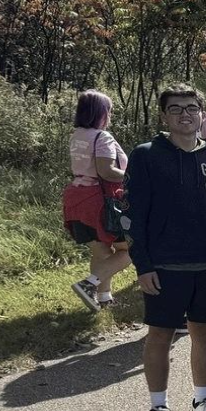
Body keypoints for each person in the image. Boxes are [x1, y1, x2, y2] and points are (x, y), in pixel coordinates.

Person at [126, 85, 206, 411]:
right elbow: (132, 216)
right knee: (160, 334)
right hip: (164, 266)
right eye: (176, 109)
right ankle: (158, 407)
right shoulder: (146, 155)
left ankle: (203, 400)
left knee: (203, 332)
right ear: (164, 116)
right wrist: (143, 265)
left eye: (192, 108)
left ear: (203, 114)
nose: (185, 115)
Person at [63, 90, 131, 312]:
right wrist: (135, 175)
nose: (110, 115)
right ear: (100, 112)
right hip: (101, 201)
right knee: (132, 249)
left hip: (76, 197)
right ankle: (88, 284)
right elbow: (107, 172)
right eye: (108, 110)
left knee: (101, 251)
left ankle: (103, 298)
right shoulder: (103, 137)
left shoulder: (77, 135)